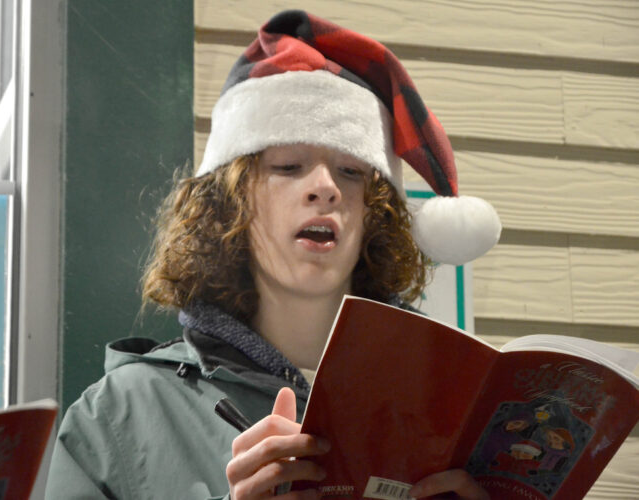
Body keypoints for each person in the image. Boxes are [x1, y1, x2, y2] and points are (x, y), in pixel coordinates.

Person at [45, 9, 501, 500]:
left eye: (351, 171)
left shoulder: (454, 408)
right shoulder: (119, 415)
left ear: (376, 214)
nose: (325, 186)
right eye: (288, 166)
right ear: (229, 202)